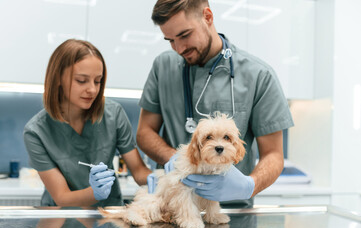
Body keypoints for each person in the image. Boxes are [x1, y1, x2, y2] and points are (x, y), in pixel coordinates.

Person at [137, 0, 294, 207]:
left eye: (185, 35)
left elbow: (273, 154)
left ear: (208, 17)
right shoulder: (163, 66)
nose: (179, 48)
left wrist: (249, 185)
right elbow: (144, 132)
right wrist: (177, 159)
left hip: (230, 211)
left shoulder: (258, 76)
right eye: (170, 40)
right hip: (173, 205)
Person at [24, 39, 151, 207]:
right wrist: (95, 193)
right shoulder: (36, 132)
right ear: (58, 78)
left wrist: (163, 180)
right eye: (81, 81)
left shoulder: (113, 114)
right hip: (63, 220)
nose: (92, 89)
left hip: (106, 217)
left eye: (97, 81)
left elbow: (138, 170)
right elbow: (62, 196)